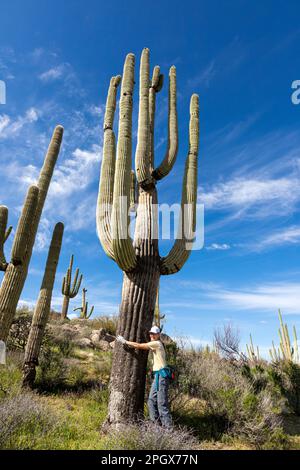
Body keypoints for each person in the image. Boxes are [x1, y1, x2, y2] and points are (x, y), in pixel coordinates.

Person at [116, 325, 172, 427]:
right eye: (151, 333)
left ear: (158, 335)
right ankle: (156, 427)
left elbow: (139, 345)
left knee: (161, 404)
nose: (152, 335)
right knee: (151, 401)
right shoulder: (157, 343)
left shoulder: (157, 343)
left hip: (161, 376)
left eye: (154, 334)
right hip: (158, 376)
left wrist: (125, 342)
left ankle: (168, 430)